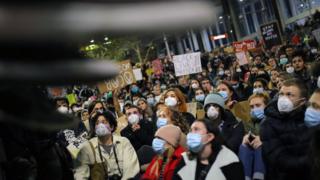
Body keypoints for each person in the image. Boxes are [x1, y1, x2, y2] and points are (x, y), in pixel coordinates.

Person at [260, 78, 312, 180]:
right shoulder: (268, 123)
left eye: (289, 95)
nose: (283, 98)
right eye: (281, 94)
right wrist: (313, 161)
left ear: (302, 102)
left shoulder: (310, 119)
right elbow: (279, 160)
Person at [74, 111, 140, 180]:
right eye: (97, 123)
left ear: (111, 127)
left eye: (104, 122)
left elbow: (131, 170)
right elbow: (81, 174)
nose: (100, 125)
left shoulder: (123, 142)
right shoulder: (87, 147)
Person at [173, 119, 244, 180]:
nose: (191, 134)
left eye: (196, 129)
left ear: (209, 137)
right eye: (191, 130)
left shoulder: (230, 162)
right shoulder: (185, 159)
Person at [239, 93, 270, 180]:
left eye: (258, 105)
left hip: (267, 149)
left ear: (267, 106)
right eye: (252, 107)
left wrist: (262, 139)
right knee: (243, 146)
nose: (254, 109)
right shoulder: (248, 123)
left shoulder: (273, 120)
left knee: (259, 145)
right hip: (250, 151)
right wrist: (246, 138)